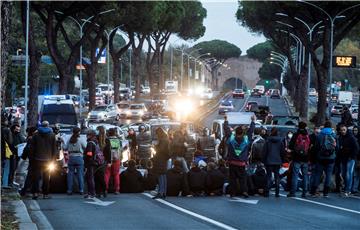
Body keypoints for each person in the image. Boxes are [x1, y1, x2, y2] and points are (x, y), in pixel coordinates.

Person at [226, 115, 256, 198]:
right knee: (243, 179)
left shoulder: (231, 139)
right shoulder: (246, 139)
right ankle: (245, 191)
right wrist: (253, 121)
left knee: (233, 179)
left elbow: (227, 131)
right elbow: (250, 131)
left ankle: (233, 193)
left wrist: (226, 120)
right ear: (242, 132)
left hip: (232, 162)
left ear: (235, 132)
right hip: (242, 163)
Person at [29, 121, 57, 199]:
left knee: (36, 177)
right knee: (46, 177)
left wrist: (31, 158)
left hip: (37, 159)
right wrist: (53, 160)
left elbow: (32, 148)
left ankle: (35, 193)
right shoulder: (52, 135)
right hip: (48, 160)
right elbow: (54, 148)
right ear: (48, 126)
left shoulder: (36, 135)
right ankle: (45, 194)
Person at [310, 121, 337, 198]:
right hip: (331, 158)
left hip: (321, 158)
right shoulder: (334, 135)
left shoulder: (320, 135)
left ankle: (314, 190)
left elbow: (316, 147)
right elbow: (337, 147)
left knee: (318, 174)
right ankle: (326, 192)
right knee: (328, 175)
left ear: (324, 126)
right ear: (331, 126)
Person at [287, 122, 311, 198]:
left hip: (297, 158)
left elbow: (290, 146)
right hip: (305, 158)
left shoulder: (295, 135)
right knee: (305, 176)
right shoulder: (308, 135)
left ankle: (293, 192)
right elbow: (310, 146)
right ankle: (304, 192)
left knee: (295, 175)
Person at [337, 124, 359, 196]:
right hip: (343, 158)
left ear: (346, 129)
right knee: (343, 174)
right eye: (342, 130)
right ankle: (346, 188)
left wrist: (352, 156)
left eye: (344, 130)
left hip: (350, 158)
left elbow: (356, 148)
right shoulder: (340, 137)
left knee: (348, 174)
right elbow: (340, 148)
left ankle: (348, 190)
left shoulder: (351, 137)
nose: (343, 131)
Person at [263, 127, 285, 197]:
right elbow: (282, 152)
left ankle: (267, 192)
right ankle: (277, 192)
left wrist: (263, 160)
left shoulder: (267, 141)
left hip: (269, 161)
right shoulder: (280, 141)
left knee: (269, 176)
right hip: (278, 160)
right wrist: (282, 160)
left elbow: (264, 152)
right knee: (277, 176)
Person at [64, 127, 86, 195]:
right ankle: (81, 190)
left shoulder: (69, 139)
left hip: (71, 158)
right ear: (79, 132)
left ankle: (69, 190)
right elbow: (85, 146)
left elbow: (65, 148)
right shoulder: (81, 139)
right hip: (79, 157)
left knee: (70, 174)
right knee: (80, 174)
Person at [152, 127, 170, 199]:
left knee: (160, 176)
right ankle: (164, 192)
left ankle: (160, 192)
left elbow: (161, 149)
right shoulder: (166, 138)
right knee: (164, 176)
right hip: (164, 159)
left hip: (160, 159)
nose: (156, 135)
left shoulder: (162, 140)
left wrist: (155, 146)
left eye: (157, 134)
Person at [19, 127, 37, 196]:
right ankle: (33, 191)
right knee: (34, 175)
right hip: (37, 159)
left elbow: (27, 149)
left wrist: (24, 156)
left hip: (32, 159)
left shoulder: (30, 139)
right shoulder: (34, 138)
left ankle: (26, 190)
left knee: (30, 175)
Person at [103, 128, 122, 194]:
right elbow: (120, 150)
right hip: (117, 159)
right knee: (116, 174)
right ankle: (117, 189)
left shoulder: (107, 140)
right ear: (115, 133)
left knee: (107, 174)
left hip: (108, 159)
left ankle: (105, 189)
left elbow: (105, 150)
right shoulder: (118, 140)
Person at [84, 130, 99, 198]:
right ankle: (91, 192)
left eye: (87, 135)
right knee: (90, 177)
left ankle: (91, 193)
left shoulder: (90, 143)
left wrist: (85, 157)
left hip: (90, 162)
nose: (86, 136)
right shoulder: (95, 142)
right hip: (93, 162)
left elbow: (89, 153)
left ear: (90, 135)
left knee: (89, 178)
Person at [95, 126, 107, 198]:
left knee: (97, 177)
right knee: (101, 177)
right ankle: (104, 191)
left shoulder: (96, 140)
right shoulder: (106, 140)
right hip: (103, 161)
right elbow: (108, 152)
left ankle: (99, 192)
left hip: (97, 161)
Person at [1, 117, 13, 188]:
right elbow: (10, 142)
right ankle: (4, 184)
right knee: (5, 168)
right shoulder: (7, 130)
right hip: (4, 152)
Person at [352, 126, 360, 194]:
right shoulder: (352, 138)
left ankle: (354, 188)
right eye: (354, 130)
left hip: (357, 158)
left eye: (356, 130)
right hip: (355, 158)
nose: (355, 132)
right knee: (355, 174)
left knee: (356, 174)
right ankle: (354, 188)